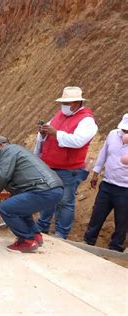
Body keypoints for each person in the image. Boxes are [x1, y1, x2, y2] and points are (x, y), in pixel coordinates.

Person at [35, 86, 98, 239]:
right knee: (48, 197)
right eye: (63, 102)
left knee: (65, 202)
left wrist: (55, 133)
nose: (64, 106)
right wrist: (43, 132)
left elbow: (78, 141)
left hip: (69, 169)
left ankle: (61, 233)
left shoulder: (87, 121)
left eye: (67, 103)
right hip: (50, 165)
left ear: (77, 102)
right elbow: (47, 135)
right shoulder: (59, 115)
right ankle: (42, 226)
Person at [0, 136, 64, 253]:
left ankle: (26, 241)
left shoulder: (7, 151)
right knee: (19, 209)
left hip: (43, 190)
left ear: (1, 145)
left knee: (5, 208)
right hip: (53, 189)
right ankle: (36, 235)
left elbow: (2, 177)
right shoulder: (18, 151)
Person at [84, 114, 128, 252]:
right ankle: (88, 241)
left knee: (122, 221)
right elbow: (103, 154)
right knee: (97, 214)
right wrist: (96, 174)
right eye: (124, 130)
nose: (125, 133)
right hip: (107, 184)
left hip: (125, 189)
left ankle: (116, 248)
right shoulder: (112, 134)